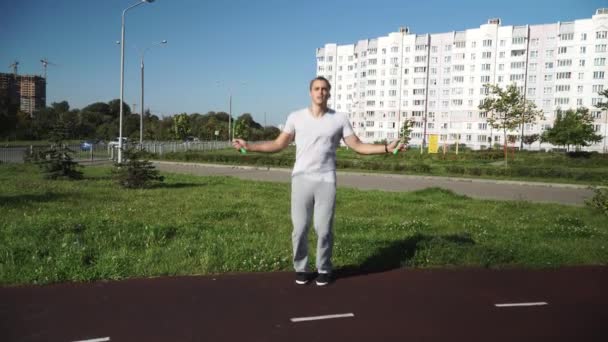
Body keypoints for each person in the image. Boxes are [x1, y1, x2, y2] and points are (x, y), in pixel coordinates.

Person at [232, 76, 405, 286]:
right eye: (316, 88)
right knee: (300, 228)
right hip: (301, 178)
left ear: (329, 93)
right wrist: (249, 146)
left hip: (326, 180)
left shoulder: (339, 119)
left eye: (324, 89)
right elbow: (279, 144)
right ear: (310, 92)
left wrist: (386, 148)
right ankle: (301, 268)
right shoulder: (295, 117)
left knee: (323, 229)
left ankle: (324, 268)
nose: (320, 92)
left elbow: (358, 145)